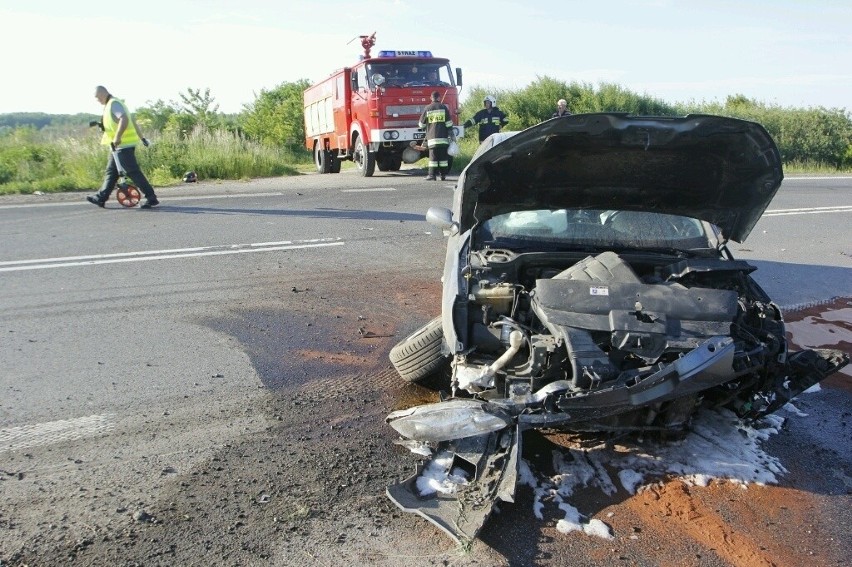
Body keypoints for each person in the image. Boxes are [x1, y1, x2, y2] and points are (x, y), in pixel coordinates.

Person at [86, 85, 160, 209]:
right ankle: (101, 198)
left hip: (122, 145)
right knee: (111, 173)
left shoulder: (114, 104)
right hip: (117, 147)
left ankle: (151, 198)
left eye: (97, 97)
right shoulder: (112, 104)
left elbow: (124, 119)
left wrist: (117, 137)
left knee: (133, 172)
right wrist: (142, 138)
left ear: (102, 94)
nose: (97, 100)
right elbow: (132, 121)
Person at [418, 91, 455, 180]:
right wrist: (452, 136)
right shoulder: (444, 108)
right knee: (443, 159)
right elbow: (449, 124)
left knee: (433, 159)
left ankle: (432, 175)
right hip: (443, 139)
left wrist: (428, 125)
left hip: (432, 139)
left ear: (431, 98)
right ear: (439, 98)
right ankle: (443, 175)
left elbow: (421, 125)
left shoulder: (427, 108)